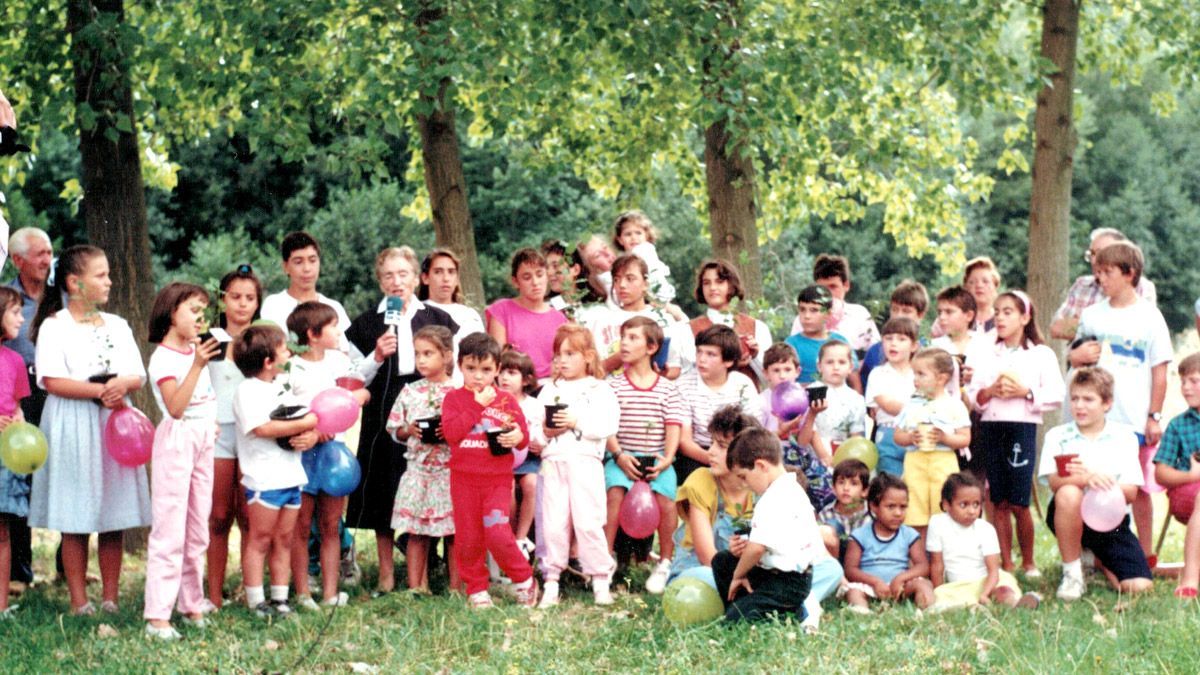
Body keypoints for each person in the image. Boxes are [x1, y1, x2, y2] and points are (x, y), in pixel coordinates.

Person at [29, 245, 149, 616]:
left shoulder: (117, 325)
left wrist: (120, 386)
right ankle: (80, 602)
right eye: (101, 275)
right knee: (75, 514)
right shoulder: (55, 325)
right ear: (74, 282)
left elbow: (137, 373)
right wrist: (98, 390)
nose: (109, 281)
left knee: (114, 513)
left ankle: (110, 598)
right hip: (74, 421)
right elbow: (51, 379)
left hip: (115, 422)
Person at [345, 247, 458, 596]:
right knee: (384, 490)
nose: (397, 282)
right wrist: (377, 355)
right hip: (383, 406)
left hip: (431, 400)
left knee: (432, 486)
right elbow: (353, 379)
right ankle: (386, 574)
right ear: (380, 281)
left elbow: (452, 365)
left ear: (415, 277)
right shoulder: (365, 323)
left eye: (403, 274)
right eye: (389, 276)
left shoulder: (437, 317)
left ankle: (430, 569)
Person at [1069, 241, 1172, 564]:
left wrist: (1153, 415)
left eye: (1108, 272)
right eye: (1097, 271)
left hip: (1134, 417)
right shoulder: (1091, 315)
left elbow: (1160, 370)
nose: (1100, 278)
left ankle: (1143, 553)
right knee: (1095, 482)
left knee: (1137, 488)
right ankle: (1096, 552)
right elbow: (1075, 358)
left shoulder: (1150, 316)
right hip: (1098, 421)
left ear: (1130, 274)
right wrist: (1076, 356)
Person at [142, 283, 222, 639]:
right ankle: (157, 616)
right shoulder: (164, 358)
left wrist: (212, 421)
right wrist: (197, 364)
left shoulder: (195, 352)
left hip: (203, 437)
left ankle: (192, 603)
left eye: (203, 311)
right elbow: (175, 407)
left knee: (197, 526)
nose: (200, 318)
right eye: (193, 310)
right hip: (177, 439)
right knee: (169, 528)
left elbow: (203, 396)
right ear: (172, 312)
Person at [968, 291, 1064, 576]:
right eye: (996, 311)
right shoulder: (985, 351)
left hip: (1022, 428)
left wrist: (1026, 392)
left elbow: (1056, 394)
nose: (1000, 317)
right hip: (992, 427)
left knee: (1020, 501)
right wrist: (989, 392)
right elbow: (974, 394)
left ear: (1025, 317)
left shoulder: (1040, 354)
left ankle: (1029, 562)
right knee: (997, 499)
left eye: (1008, 311)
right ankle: (1006, 563)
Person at [1039, 367, 1153, 601]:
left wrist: (1104, 485)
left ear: (1107, 403)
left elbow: (1131, 491)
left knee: (1138, 586)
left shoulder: (1125, 438)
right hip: (1068, 515)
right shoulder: (1058, 436)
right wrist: (1085, 478)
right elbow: (1053, 481)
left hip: (1111, 521)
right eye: (1075, 399)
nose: (1079, 406)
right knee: (1069, 491)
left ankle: (1095, 559)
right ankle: (1072, 574)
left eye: (1088, 399)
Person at [442, 332, 535, 609]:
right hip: (464, 479)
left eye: (485, 370)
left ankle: (525, 579)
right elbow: (452, 434)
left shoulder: (506, 401)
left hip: (496, 480)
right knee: (469, 537)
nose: (478, 377)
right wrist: (475, 405)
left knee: (497, 533)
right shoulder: (454, 399)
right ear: (460, 366)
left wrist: (516, 436)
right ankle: (477, 589)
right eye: (471, 369)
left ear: (496, 369)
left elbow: (524, 435)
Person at [285, 302, 370, 608]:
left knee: (331, 523)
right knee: (301, 524)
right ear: (313, 333)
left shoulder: (338, 362)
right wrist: (307, 429)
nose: (338, 331)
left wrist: (343, 405)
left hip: (333, 455)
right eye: (333, 326)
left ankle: (332, 591)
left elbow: (362, 393)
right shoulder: (291, 367)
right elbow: (286, 410)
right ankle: (304, 592)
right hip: (301, 454)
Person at [232, 324, 320, 617]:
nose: (289, 353)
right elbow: (262, 427)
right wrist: (306, 424)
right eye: (283, 349)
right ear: (268, 361)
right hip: (264, 480)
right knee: (260, 540)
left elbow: (303, 416)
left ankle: (280, 599)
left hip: (291, 477)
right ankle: (256, 601)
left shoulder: (282, 386)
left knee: (284, 539)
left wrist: (309, 432)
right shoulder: (247, 391)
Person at [536, 325, 619, 607]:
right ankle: (551, 580)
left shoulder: (600, 389)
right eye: (559, 354)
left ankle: (600, 579)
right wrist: (545, 433)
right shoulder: (549, 389)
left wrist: (576, 421)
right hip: (553, 463)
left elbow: (607, 426)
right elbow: (535, 428)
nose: (563, 360)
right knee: (553, 523)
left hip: (585, 463)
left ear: (588, 356)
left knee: (588, 521)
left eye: (570, 353)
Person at [604, 317, 683, 594]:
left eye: (633, 338)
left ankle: (665, 562)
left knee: (666, 501)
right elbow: (607, 427)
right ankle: (604, 560)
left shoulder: (667, 389)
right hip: (622, 457)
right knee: (614, 492)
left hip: (657, 458)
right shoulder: (613, 386)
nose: (624, 343)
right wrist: (619, 455)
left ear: (652, 347)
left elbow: (673, 426)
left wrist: (667, 459)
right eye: (623, 337)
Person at [712, 427, 821, 622]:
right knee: (722, 561)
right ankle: (744, 605)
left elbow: (756, 549)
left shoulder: (773, 499)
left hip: (787, 583)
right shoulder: (791, 488)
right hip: (775, 571)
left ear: (761, 466)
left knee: (733, 622)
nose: (745, 484)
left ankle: (790, 614)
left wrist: (738, 575)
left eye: (744, 477)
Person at [386, 325, 458, 594]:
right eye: (418, 354)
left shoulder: (459, 391)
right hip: (418, 471)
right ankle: (418, 586)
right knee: (417, 532)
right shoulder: (410, 391)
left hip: (450, 471)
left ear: (447, 355)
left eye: (429, 353)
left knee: (454, 532)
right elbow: (394, 428)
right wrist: (410, 430)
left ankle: (456, 586)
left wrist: (450, 430)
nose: (422, 360)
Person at [206, 265, 260, 608]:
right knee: (219, 514)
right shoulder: (208, 338)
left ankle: (249, 588)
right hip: (218, 431)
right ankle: (212, 592)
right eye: (235, 297)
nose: (242, 304)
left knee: (250, 514)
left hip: (255, 432)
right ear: (222, 300)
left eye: (250, 298)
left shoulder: (264, 338)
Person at [3, 227, 51, 591]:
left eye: (51, 253)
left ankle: (70, 562)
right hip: (17, 392)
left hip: (54, 388)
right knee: (18, 472)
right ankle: (20, 569)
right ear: (18, 260)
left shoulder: (60, 297)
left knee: (60, 468)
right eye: (40, 254)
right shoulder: (7, 299)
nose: (48, 261)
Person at [668, 406, 757, 588]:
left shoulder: (759, 489)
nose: (711, 451)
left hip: (744, 574)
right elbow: (706, 555)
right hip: (698, 572)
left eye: (721, 446)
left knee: (829, 570)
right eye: (712, 443)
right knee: (708, 577)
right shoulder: (701, 479)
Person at [926, 472, 1040, 611]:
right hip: (958, 585)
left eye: (976, 504)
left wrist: (985, 593)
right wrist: (940, 590)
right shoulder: (937, 524)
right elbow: (937, 564)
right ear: (946, 505)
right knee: (943, 596)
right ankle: (971, 606)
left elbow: (993, 570)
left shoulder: (986, 529)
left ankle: (1015, 604)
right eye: (964, 505)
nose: (972, 511)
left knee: (1004, 589)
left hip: (987, 581)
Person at [893, 348, 971, 536]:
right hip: (915, 462)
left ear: (941, 378)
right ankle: (920, 559)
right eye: (914, 374)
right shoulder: (911, 404)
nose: (915, 379)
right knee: (915, 511)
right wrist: (911, 438)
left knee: (943, 510)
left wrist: (945, 438)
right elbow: (897, 436)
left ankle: (942, 559)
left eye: (921, 374)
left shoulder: (954, 404)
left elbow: (965, 438)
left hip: (943, 463)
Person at [676, 325, 762, 484]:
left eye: (711, 354)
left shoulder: (743, 384)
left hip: (737, 452)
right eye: (699, 352)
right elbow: (684, 442)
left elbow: (754, 432)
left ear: (728, 361)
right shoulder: (683, 385)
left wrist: (733, 461)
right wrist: (716, 461)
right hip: (698, 454)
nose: (701, 359)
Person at [843, 473, 934, 613]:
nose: (898, 513)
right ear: (874, 506)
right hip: (869, 585)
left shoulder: (909, 534)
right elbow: (850, 570)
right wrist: (875, 582)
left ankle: (928, 611)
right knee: (853, 591)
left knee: (924, 585)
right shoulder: (859, 535)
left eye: (903, 507)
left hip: (901, 586)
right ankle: (863, 613)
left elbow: (923, 566)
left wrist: (901, 578)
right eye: (891, 507)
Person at [757, 343, 831, 510]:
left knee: (822, 486)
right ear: (766, 373)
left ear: (797, 371)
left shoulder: (802, 397)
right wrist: (782, 430)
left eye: (787, 369)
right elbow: (757, 442)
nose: (782, 376)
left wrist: (812, 414)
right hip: (772, 458)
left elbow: (803, 442)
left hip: (799, 457)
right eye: (776, 370)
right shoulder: (761, 401)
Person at [1050, 227, 1157, 341]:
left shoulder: (1142, 287)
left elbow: (1141, 330)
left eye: (1102, 253)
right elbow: (1056, 328)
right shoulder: (1082, 285)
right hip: (1079, 358)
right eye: (1091, 254)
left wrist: (1081, 323)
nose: (1094, 260)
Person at [587, 254, 685, 379]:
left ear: (645, 284)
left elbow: (675, 368)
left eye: (630, 278)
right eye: (616, 279)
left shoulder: (662, 319)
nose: (622, 285)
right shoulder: (601, 320)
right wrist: (619, 357)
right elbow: (591, 371)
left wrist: (661, 375)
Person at [1153, 353, 1200, 598]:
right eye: (1183, 381)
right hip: (1187, 497)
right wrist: (1192, 475)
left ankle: (1182, 570)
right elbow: (1160, 473)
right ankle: (1190, 580)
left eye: (1194, 381)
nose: (1186, 388)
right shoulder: (1178, 425)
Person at [684, 259, 771, 385]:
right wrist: (731, 364)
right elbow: (687, 379)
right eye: (706, 283)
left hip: (746, 401)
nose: (712, 288)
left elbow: (769, 380)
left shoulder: (757, 327)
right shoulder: (687, 330)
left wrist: (755, 355)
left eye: (719, 281)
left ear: (731, 285)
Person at [486, 248, 568, 380]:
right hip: (515, 385)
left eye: (539, 275)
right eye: (527, 277)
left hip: (553, 385)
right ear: (515, 281)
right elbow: (497, 359)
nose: (535, 283)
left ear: (547, 276)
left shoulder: (560, 318)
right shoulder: (501, 310)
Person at [259, 232, 351, 344]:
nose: (307, 268)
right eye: (298, 262)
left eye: (312, 260)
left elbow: (348, 354)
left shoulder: (334, 307)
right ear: (285, 267)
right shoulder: (274, 305)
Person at [497, 349, 544, 558]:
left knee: (531, 484)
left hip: (528, 458)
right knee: (507, 488)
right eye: (502, 372)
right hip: (501, 458)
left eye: (511, 373)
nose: (504, 377)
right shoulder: (494, 402)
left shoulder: (534, 405)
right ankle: (510, 535)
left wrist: (540, 444)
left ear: (526, 380)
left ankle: (521, 538)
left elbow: (543, 432)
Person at [0, 287, 30, 617]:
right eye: (15, 311)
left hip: (5, 456)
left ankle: (1, 606)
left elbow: (18, 408)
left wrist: (17, 427)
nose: (22, 318)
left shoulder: (15, 361)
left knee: (2, 530)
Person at [791, 254, 879, 354]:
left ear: (846, 285)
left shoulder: (860, 315)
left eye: (833, 287)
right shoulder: (803, 320)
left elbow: (876, 354)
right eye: (822, 288)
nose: (827, 294)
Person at [864, 317, 919, 477]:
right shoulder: (878, 373)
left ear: (914, 345)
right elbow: (887, 404)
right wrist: (920, 411)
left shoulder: (920, 373)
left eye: (901, 339)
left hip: (916, 435)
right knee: (891, 485)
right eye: (888, 338)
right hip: (888, 436)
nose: (893, 343)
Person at [859, 279, 928, 389]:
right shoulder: (876, 351)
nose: (899, 316)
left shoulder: (928, 350)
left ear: (920, 315)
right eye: (895, 310)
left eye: (906, 311)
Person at [785, 285, 856, 387]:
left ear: (828, 313)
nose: (807, 316)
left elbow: (854, 379)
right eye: (802, 310)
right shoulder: (791, 344)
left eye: (814, 310)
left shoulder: (840, 341)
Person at [419, 248, 486, 346]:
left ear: (457, 279)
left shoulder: (469, 316)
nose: (446, 278)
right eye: (438, 272)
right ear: (425, 278)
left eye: (451, 272)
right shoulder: (415, 311)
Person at [813, 341, 868, 453]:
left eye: (842, 362)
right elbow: (811, 429)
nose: (836, 367)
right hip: (816, 453)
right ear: (819, 366)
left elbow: (856, 435)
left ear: (850, 367)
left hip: (845, 454)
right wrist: (824, 456)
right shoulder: (814, 391)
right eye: (829, 362)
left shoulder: (856, 399)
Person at [611, 210, 675, 303]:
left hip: (653, 295)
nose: (633, 237)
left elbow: (653, 279)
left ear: (647, 236)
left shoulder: (645, 250)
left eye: (638, 233)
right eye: (628, 234)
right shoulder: (621, 259)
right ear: (620, 240)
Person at [818, 459, 871, 561]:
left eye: (853, 483)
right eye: (841, 482)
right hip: (835, 564)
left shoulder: (871, 515)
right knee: (831, 525)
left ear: (865, 491)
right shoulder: (825, 514)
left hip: (863, 564)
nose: (846, 488)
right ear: (833, 488)